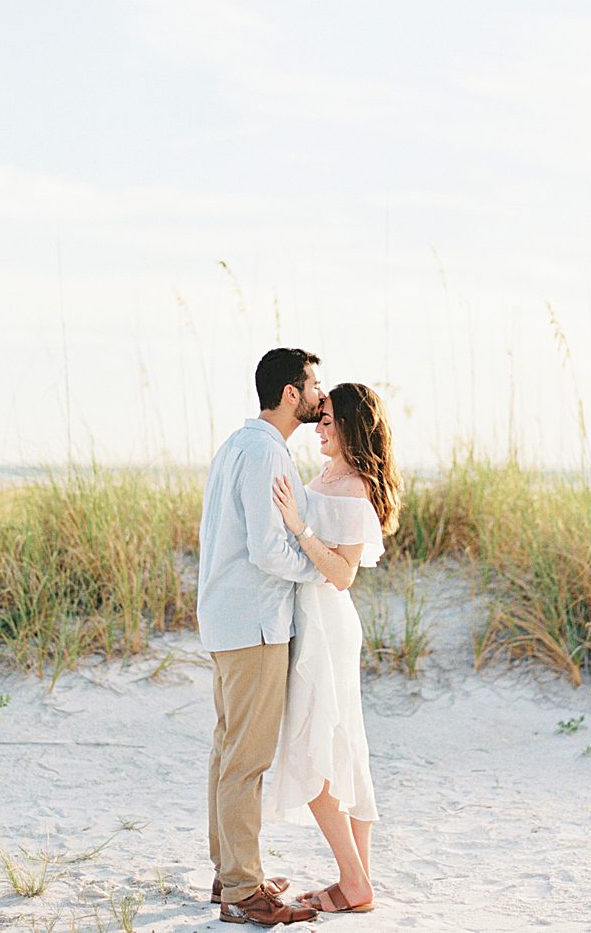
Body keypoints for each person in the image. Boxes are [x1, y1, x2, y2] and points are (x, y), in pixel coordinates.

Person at [198, 347, 328, 926]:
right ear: (290, 393)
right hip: (253, 622)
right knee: (246, 759)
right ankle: (244, 891)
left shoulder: (238, 444)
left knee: (229, 752)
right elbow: (266, 549)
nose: (320, 394)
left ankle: (232, 873)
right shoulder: (263, 452)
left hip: (230, 619)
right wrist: (318, 565)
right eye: (313, 385)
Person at [267, 382, 402, 916]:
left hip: (327, 622)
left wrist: (298, 526)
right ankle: (357, 883)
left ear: (351, 426)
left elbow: (343, 575)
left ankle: (353, 880)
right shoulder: (329, 476)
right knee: (340, 746)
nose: (318, 428)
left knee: (317, 748)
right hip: (314, 618)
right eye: (319, 419)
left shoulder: (353, 488)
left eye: (327, 421)